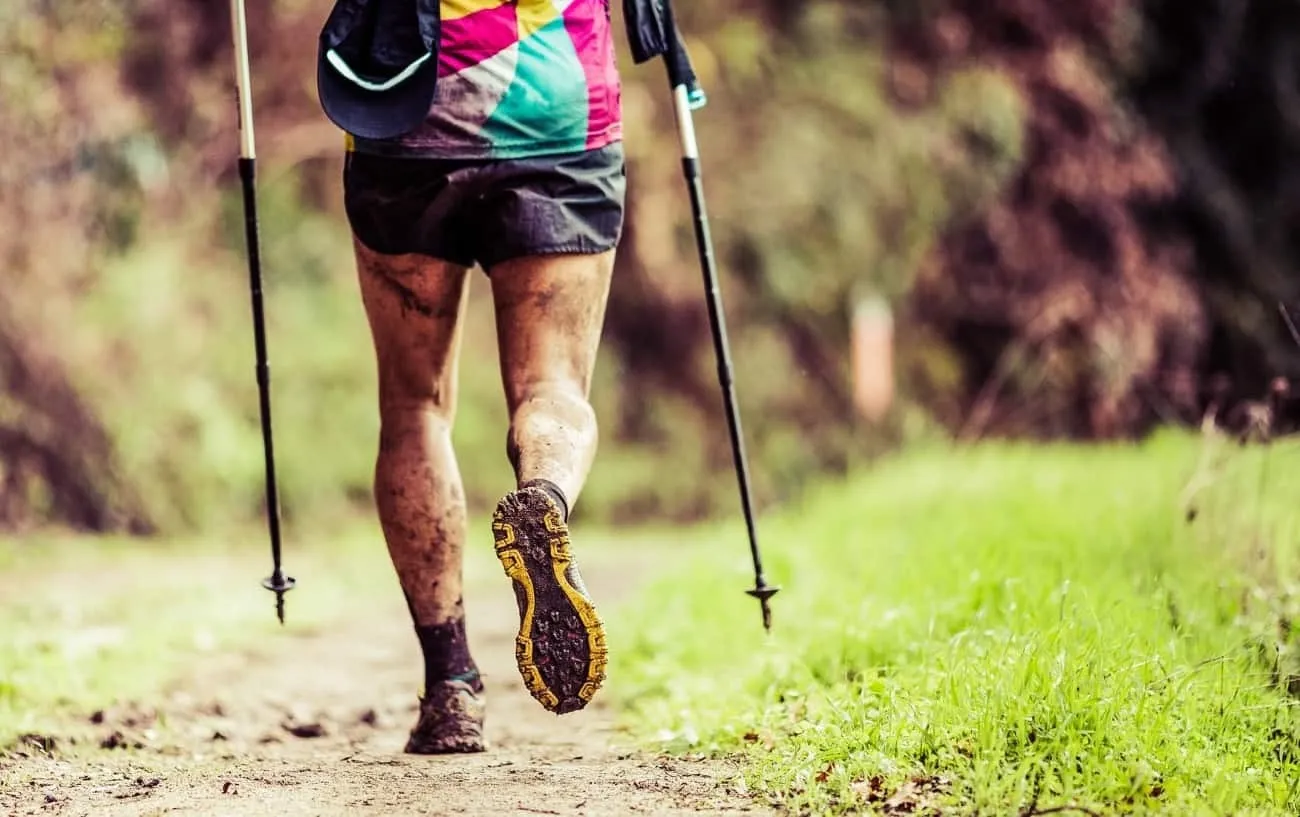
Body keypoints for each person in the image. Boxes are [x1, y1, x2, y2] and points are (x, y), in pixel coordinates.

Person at [315, 0, 625, 754]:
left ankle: (451, 685)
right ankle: (542, 497)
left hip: (406, 107)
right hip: (560, 112)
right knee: (553, 385)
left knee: (414, 404)